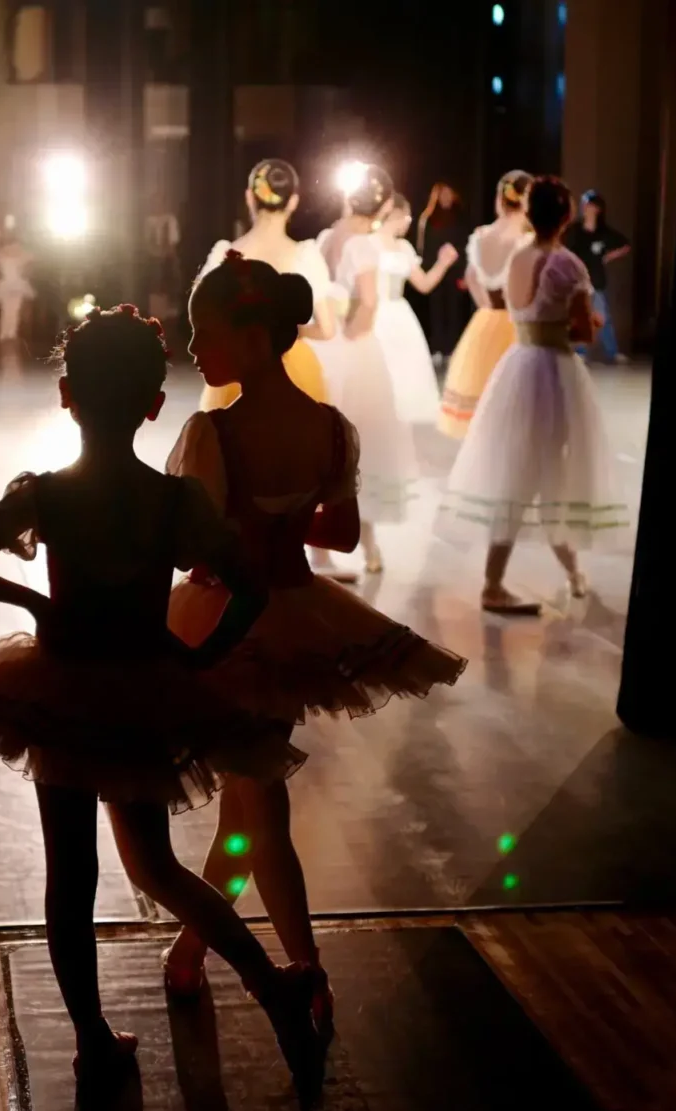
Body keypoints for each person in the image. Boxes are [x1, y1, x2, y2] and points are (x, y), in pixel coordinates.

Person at [0, 305, 323, 1080]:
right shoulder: (171, 501)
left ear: (66, 395)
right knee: (157, 866)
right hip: (140, 689)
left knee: (72, 876)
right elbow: (250, 588)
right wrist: (202, 656)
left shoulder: (48, 495)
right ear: (155, 405)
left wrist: (33, 605)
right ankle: (272, 988)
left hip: (58, 689)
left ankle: (91, 1036)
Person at [161, 252, 466, 1000]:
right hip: (297, 615)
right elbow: (346, 534)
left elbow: (191, 543)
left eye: (207, 335)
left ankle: (305, 970)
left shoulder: (214, 433)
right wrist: (284, 519)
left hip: (228, 622)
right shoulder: (330, 429)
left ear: (257, 337)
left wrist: (238, 528)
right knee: (249, 799)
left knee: (260, 804)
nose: (196, 352)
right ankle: (191, 950)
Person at [443, 176, 628, 615]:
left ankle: (559, 573)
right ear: (565, 217)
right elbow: (582, 331)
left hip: (518, 364)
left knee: (521, 470)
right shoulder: (567, 264)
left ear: (529, 213)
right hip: (553, 369)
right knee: (546, 473)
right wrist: (587, 326)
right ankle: (509, 581)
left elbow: (514, 307)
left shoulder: (517, 257)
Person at [314, 164, 417, 576]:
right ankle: (366, 547)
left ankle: (327, 547)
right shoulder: (364, 244)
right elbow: (370, 302)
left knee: (332, 447)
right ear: (385, 204)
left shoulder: (326, 236)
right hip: (355, 351)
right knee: (361, 449)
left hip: (325, 346)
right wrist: (354, 334)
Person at [197, 159, 335, 411]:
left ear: (250, 197)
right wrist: (296, 330)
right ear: (293, 201)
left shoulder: (224, 254)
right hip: (293, 369)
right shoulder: (306, 255)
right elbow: (327, 329)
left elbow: (202, 317)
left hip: (236, 369)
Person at [437, 171, 532, 440]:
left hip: (486, 321)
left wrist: (486, 307)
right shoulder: (527, 241)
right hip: (517, 323)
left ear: (500, 199)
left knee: (485, 392)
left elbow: (471, 277)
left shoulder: (480, 236)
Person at [375, 195, 459, 423]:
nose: (409, 223)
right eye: (408, 217)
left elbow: (424, 284)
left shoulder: (403, 247)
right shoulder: (366, 242)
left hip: (399, 316)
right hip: (373, 314)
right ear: (398, 215)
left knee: (403, 377)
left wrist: (443, 263)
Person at [564, 191, 631, 363]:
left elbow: (625, 245)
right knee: (580, 317)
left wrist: (608, 256)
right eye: (585, 205)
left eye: (590, 205)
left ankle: (612, 352)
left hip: (597, 281)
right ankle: (580, 351)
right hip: (579, 281)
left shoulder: (604, 232)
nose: (587, 209)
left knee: (603, 317)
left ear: (598, 209)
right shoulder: (575, 231)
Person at [416, 182, 471, 362]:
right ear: (437, 196)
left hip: (455, 271)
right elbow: (424, 248)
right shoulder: (429, 218)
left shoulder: (461, 217)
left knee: (454, 310)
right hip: (434, 271)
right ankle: (438, 348)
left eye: (449, 193)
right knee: (436, 310)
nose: (446, 197)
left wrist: (463, 272)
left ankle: (452, 348)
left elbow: (465, 246)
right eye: (443, 194)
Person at [0, 230, 35, 344]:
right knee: (6, 309)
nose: (13, 246)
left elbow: (31, 260)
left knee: (15, 309)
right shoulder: (1, 254)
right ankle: (3, 333)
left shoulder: (23, 255)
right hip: (6, 283)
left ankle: (12, 333)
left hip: (18, 283)